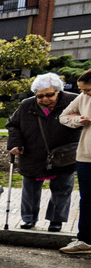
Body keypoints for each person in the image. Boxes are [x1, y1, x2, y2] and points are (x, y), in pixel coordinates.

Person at [6, 72, 80, 232]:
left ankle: (56, 221)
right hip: (33, 154)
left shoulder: (73, 101)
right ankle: (28, 219)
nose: (44, 99)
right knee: (30, 189)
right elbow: (13, 125)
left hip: (63, 155)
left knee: (62, 189)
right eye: (40, 96)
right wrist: (16, 143)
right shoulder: (27, 105)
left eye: (49, 95)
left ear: (58, 91)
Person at [58, 73, 91, 255]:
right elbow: (64, 117)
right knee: (87, 200)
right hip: (86, 156)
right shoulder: (82, 98)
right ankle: (85, 240)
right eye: (82, 90)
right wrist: (79, 120)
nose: (84, 93)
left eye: (88, 89)